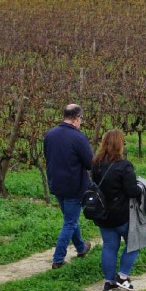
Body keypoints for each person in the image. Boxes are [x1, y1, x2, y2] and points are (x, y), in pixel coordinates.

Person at [90, 129, 144, 291]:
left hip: (103, 214)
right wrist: (141, 188)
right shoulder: (124, 166)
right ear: (120, 145)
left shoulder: (95, 164)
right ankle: (122, 275)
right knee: (134, 244)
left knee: (109, 246)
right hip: (122, 215)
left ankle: (108, 281)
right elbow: (132, 191)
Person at [44, 104, 93, 269]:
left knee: (70, 219)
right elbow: (89, 163)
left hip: (56, 184)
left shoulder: (49, 135)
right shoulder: (78, 137)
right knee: (70, 222)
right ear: (77, 118)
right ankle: (58, 259)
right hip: (74, 185)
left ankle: (81, 247)